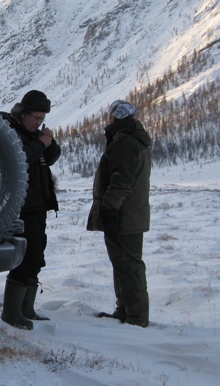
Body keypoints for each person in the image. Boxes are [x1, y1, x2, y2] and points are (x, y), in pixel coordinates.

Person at [87, 99, 152, 327]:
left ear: (115, 118)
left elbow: (121, 181)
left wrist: (109, 209)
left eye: (110, 117)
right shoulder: (132, 139)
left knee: (129, 264)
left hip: (124, 215)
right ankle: (125, 310)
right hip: (130, 213)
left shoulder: (124, 143)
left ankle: (135, 317)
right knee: (123, 263)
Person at [0, 89, 61, 330]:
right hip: (22, 208)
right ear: (24, 113)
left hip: (38, 206)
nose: (39, 122)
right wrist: (39, 143)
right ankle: (12, 312)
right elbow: (19, 159)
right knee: (26, 257)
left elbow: (52, 156)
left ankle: (27, 308)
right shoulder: (11, 132)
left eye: (42, 119)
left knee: (37, 255)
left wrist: (48, 141)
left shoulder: (33, 135)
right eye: (36, 118)